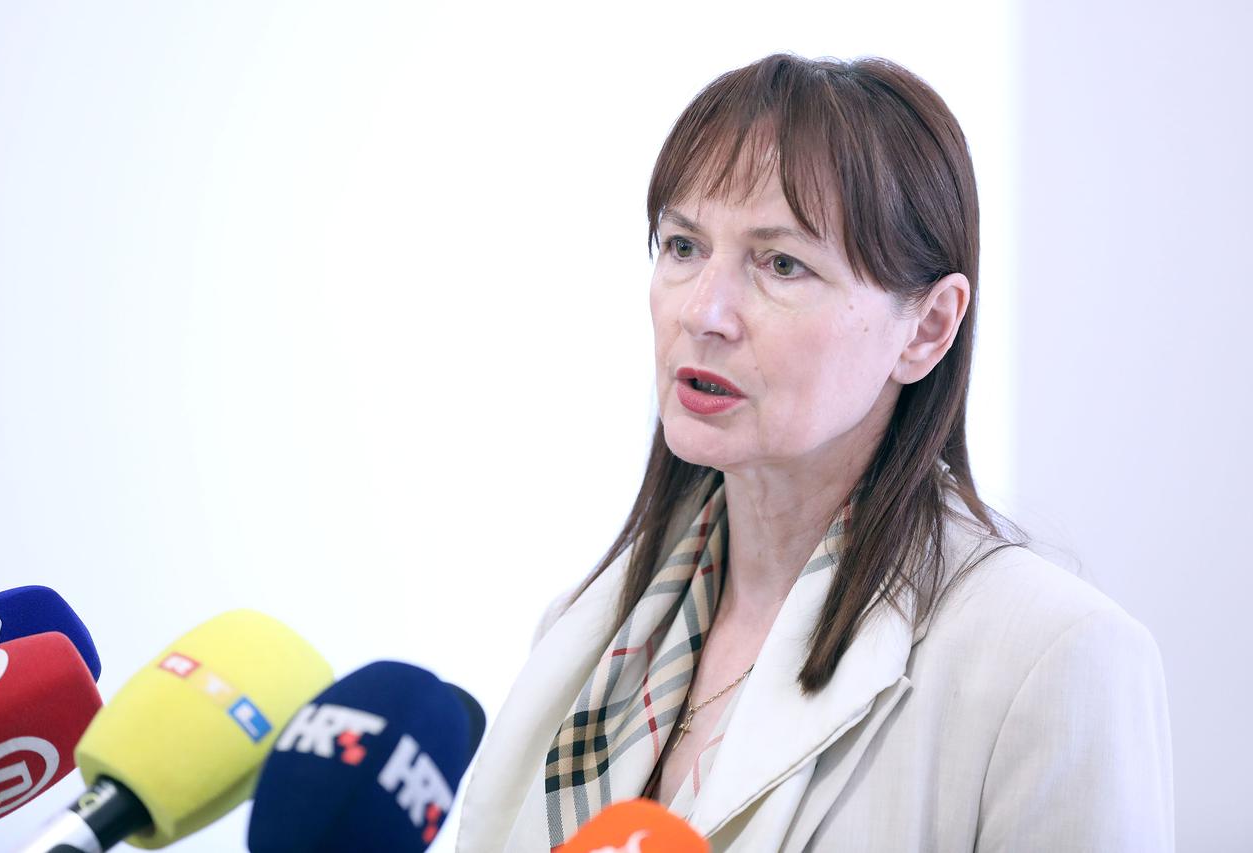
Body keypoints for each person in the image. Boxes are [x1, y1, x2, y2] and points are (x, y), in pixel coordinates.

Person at [454, 53, 1173, 852]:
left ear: (928, 327)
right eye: (683, 246)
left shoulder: (1052, 659)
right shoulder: (580, 636)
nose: (704, 312)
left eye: (781, 264)